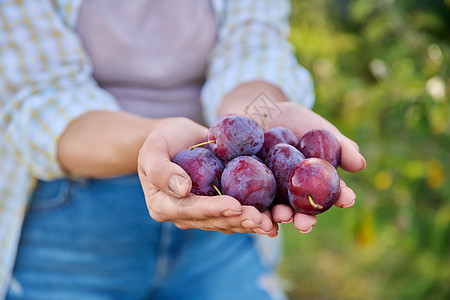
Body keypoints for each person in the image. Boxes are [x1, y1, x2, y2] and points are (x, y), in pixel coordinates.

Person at [0, 0, 366, 299]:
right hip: (68, 227)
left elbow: (254, 48)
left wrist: (250, 118)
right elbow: (39, 102)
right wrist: (156, 139)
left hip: (221, 220)